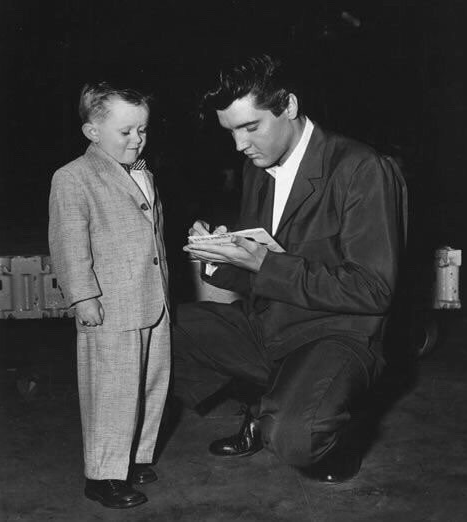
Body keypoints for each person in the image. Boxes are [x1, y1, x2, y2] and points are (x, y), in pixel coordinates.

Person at [173, 54, 406, 483]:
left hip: (335, 334)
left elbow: (374, 290)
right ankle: (266, 402)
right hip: (271, 326)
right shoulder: (256, 168)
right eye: (231, 132)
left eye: (250, 127)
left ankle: (333, 427)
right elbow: (258, 276)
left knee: (294, 441)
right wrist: (218, 257)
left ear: (290, 107)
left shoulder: (360, 169)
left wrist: (265, 262)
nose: (240, 145)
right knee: (152, 331)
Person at [48, 82, 170, 508]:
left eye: (143, 130)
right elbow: (68, 243)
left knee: (150, 384)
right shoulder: (73, 178)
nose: (137, 139)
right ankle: (102, 475)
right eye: (125, 132)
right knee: (111, 391)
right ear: (92, 132)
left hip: (151, 299)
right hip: (109, 304)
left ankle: (133, 458)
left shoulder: (143, 172)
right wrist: (83, 297)